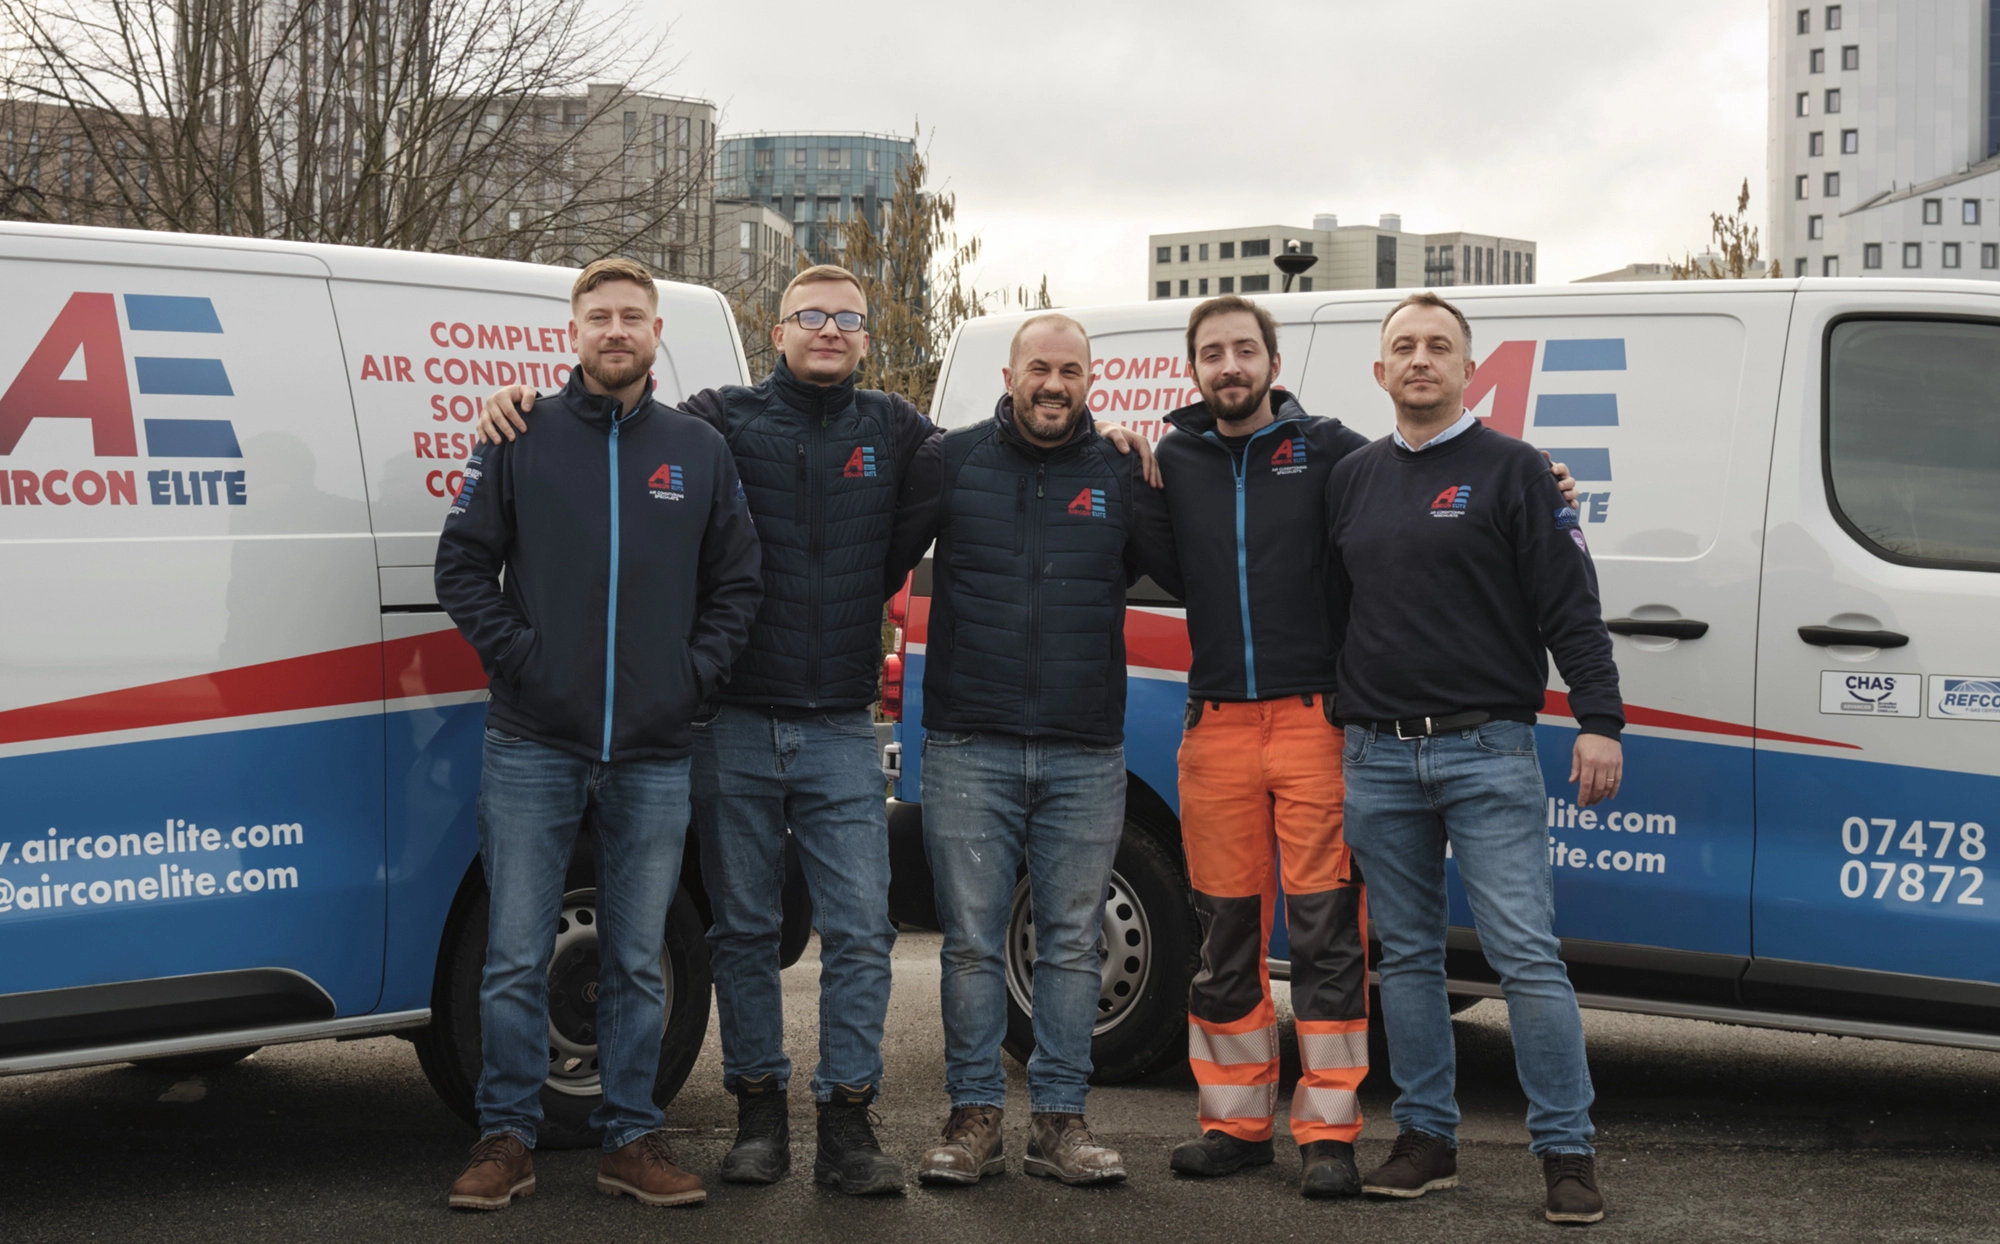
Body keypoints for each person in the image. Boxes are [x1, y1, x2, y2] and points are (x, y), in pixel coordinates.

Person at [474, 265, 1157, 1195]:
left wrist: (1107, 441)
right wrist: (517, 404)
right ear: (779, 328)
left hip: (841, 723)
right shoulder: (717, 419)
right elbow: (621, 420)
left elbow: (1014, 446)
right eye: (811, 317)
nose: (829, 331)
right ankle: (760, 1117)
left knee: (862, 934)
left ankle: (847, 1121)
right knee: (744, 934)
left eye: (849, 319)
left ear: (868, 338)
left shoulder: (905, 435)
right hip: (734, 724)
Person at [1132, 295, 1577, 1199]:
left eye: (1244, 350)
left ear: (1272, 362)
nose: (1229, 365)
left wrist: (1548, 481)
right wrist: (1112, 445)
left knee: (1331, 933)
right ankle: (1234, 1123)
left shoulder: (1333, 451)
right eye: (1212, 353)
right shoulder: (1169, 461)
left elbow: (1419, 480)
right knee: (1225, 933)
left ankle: (1329, 1132)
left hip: (1315, 721)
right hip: (1213, 724)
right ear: (1192, 369)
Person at [433, 257, 762, 1211]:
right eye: (599, 317)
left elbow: (738, 582)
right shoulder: (518, 436)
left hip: (655, 749)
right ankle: (506, 1138)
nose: (615, 331)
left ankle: (630, 1136)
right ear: (573, 331)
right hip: (534, 739)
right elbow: (463, 569)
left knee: (633, 955)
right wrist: (525, 661)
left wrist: (691, 678)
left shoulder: (696, 450)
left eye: (632, 317)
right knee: (513, 952)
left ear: (656, 332)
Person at [1327, 291, 1623, 1226]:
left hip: (1488, 749)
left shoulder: (1519, 472)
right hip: (1375, 754)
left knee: (1525, 957)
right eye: (1403, 346)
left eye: (1439, 347)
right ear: (1381, 372)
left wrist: (1600, 719)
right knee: (1407, 958)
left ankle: (1566, 1155)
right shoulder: (1352, 478)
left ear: (1468, 370)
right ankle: (1426, 1139)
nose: (1420, 359)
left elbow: (1570, 603)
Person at [890, 314, 1169, 1188]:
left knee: (1073, 943)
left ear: (1094, 380)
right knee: (972, 942)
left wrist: (1159, 458)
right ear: (1010, 375)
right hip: (970, 743)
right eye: (1039, 368)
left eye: (1072, 371)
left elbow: (1188, 567)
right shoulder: (952, 461)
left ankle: (1059, 1122)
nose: (1055, 384)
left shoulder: (1120, 473)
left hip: (1086, 749)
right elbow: (875, 555)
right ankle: (975, 1118)